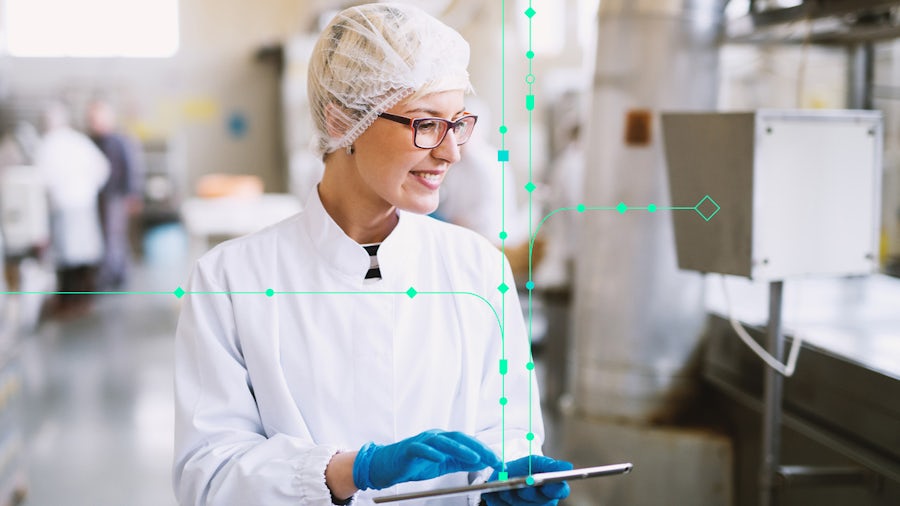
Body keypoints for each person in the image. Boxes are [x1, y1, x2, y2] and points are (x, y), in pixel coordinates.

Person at [173, 4, 571, 506]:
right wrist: (349, 471)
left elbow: (510, 433)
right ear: (344, 120)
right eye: (426, 124)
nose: (451, 152)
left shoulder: (476, 269)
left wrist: (507, 484)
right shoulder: (231, 281)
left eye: (459, 123)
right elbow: (208, 476)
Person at [34, 102, 109, 317]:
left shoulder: (48, 143)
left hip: (64, 204)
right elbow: (102, 167)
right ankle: (84, 299)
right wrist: (90, 188)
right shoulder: (78, 140)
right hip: (84, 202)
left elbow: (41, 178)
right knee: (85, 253)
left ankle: (69, 302)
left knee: (66, 257)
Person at [86, 99, 143, 289]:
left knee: (113, 236)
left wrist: (132, 194)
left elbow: (131, 167)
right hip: (101, 196)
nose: (93, 122)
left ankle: (114, 275)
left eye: (96, 118)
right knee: (110, 236)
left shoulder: (119, 141)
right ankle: (115, 272)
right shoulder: (93, 141)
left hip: (116, 195)